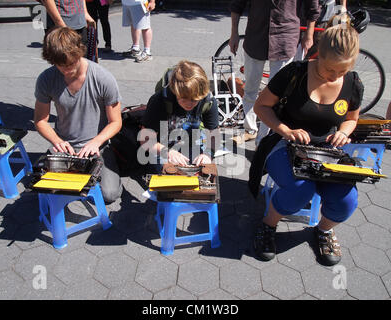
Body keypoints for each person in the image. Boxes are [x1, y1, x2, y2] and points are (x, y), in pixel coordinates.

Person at [252, 19, 363, 266]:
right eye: (329, 70)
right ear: (318, 56)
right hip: (285, 143)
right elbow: (261, 106)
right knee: (301, 188)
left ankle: (323, 230)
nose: (334, 76)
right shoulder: (294, 73)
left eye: (341, 71)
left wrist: (344, 132)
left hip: (327, 150)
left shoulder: (353, 82)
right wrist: (286, 130)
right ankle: (268, 224)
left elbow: (352, 119)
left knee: (347, 199)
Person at [34, 27, 123, 203]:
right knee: (44, 188)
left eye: (71, 64)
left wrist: (96, 142)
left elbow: (116, 122)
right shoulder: (46, 79)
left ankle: (105, 171)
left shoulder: (102, 78)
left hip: (98, 146)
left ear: (79, 53)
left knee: (110, 195)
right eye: (61, 66)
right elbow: (40, 120)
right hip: (65, 146)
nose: (67, 70)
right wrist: (57, 141)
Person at [228, 0, 320, 146]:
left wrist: (309, 34)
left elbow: (312, 7)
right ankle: (250, 129)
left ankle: (263, 139)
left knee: (277, 96)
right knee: (250, 89)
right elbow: (237, 4)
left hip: (285, 39)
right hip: (255, 37)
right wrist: (234, 33)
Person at [140, 60, 219, 170]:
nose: (189, 104)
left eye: (194, 100)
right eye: (184, 99)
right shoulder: (159, 100)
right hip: (162, 145)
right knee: (169, 174)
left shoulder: (208, 100)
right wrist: (167, 152)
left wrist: (208, 154)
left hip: (192, 142)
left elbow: (214, 134)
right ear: (175, 91)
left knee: (199, 171)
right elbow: (145, 140)